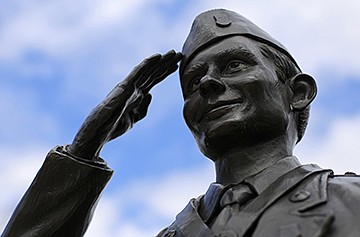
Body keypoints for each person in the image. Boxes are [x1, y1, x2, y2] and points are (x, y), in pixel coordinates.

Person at [2, 8, 360, 237]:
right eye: (192, 83)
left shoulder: (350, 199)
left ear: (297, 92)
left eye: (235, 65)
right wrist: (84, 150)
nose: (207, 84)